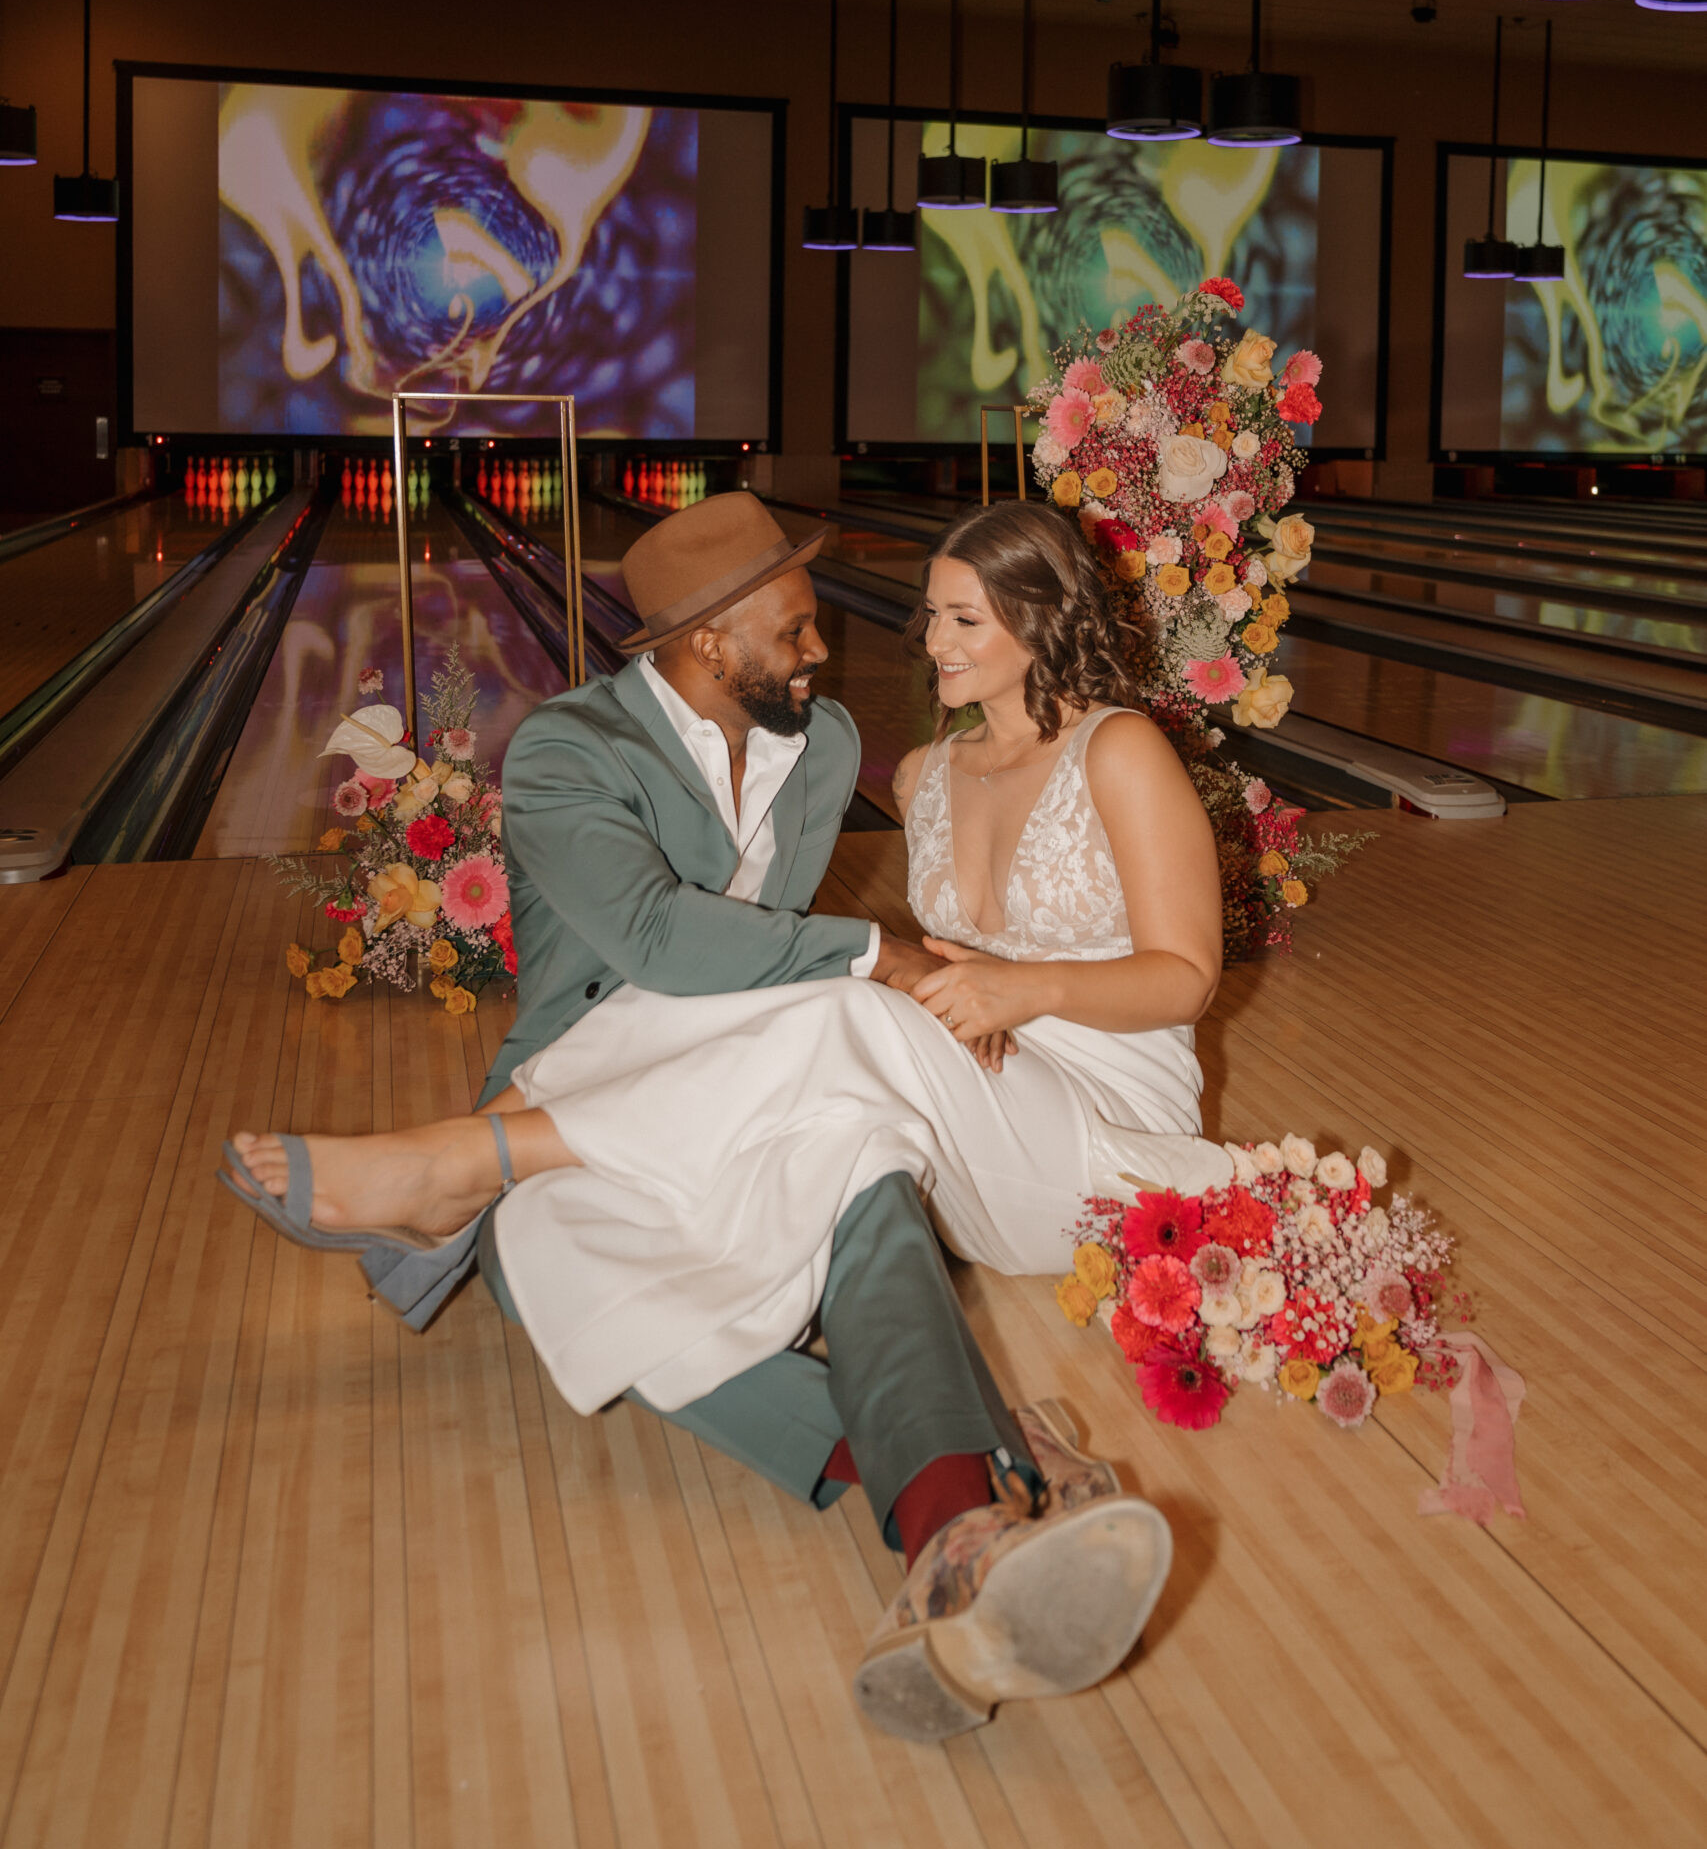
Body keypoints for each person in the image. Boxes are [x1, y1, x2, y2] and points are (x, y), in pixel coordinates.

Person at [224, 493, 1227, 1741]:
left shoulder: (836, 745)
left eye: (952, 617)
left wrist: (934, 974)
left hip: (975, 1083)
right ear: (708, 642)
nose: (845, 650)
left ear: (1032, 617)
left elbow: (1150, 969)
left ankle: (462, 1165)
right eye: (799, 629)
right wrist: (893, 956)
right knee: (559, 1247)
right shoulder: (573, 750)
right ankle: (966, 1505)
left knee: (840, 1036)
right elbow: (660, 939)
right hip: (635, 1073)